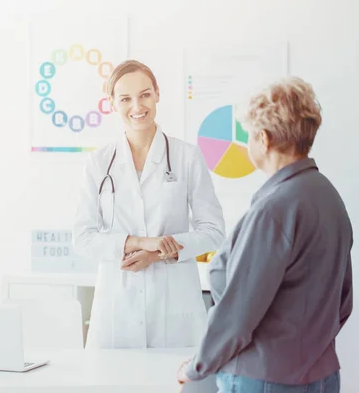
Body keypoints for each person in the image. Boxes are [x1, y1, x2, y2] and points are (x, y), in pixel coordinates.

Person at [177, 76, 353, 392]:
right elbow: (343, 303)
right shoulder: (329, 197)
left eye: (248, 137)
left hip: (264, 378)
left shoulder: (274, 209)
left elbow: (237, 315)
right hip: (323, 376)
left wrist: (196, 368)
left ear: (264, 139)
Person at [72, 60, 225, 349]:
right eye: (125, 98)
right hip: (118, 303)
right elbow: (83, 238)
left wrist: (156, 254)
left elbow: (214, 231)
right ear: (112, 103)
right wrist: (141, 242)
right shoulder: (99, 162)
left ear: (157, 93)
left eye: (144, 94)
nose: (137, 106)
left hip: (175, 302)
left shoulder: (187, 157)